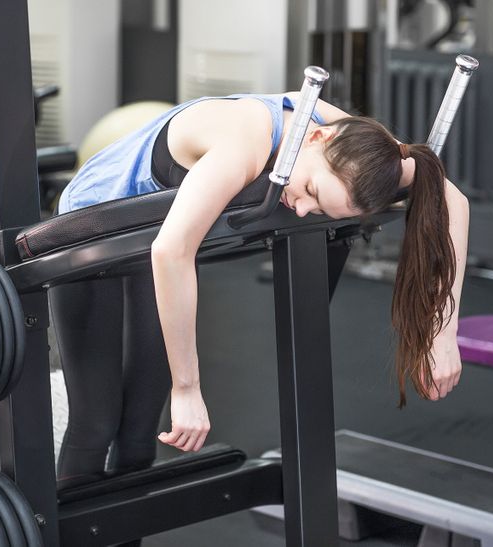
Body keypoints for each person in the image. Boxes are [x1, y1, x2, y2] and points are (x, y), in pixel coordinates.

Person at [50, 92, 469, 486]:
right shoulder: (243, 142)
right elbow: (171, 252)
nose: (303, 209)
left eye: (320, 209)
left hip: (149, 242)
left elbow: (451, 198)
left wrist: (443, 331)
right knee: (96, 422)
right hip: (86, 234)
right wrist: (188, 388)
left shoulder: (364, 150)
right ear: (318, 138)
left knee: (140, 429)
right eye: (311, 191)